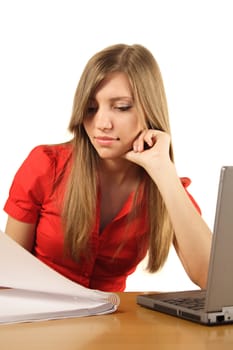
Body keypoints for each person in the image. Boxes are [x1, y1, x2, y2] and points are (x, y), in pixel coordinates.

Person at [3, 43, 212, 292]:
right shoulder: (46, 165)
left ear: (149, 109)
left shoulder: (164, 186)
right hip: (43, 321)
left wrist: (164, 171)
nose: (101, 123)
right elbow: (8, 278)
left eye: (121, 107)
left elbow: (213, 279)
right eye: (91, 108)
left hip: (112, 324)